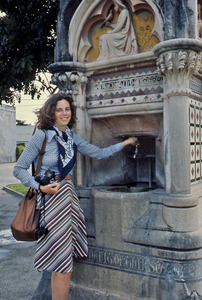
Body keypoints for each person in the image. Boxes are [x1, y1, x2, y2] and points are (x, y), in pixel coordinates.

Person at [13, 93, 138, 300]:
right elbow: (19, 169)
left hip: (68, 199)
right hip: (50, 202)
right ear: (52, 112)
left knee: (62, 264)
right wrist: (40, 188)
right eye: (59, 109)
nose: (64, 113)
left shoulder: (71, 137)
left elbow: (98, 152)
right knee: (62, 265)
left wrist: (126, 143)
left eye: (67, 109)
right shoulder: (42, 137)